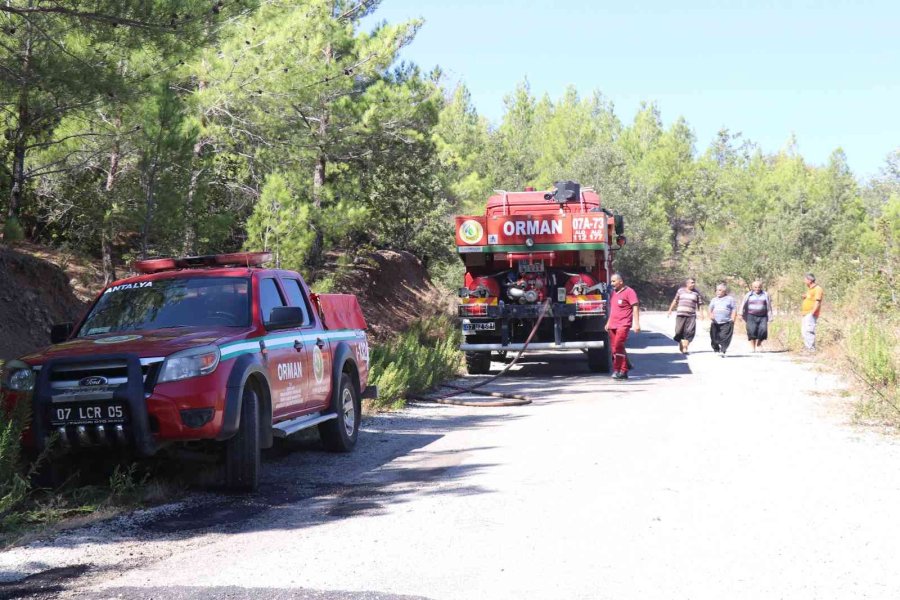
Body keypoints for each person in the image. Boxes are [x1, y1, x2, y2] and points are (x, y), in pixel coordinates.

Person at [605, 272, 640, 380]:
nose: (612, 283)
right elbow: (613, 310)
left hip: (623, 324)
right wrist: (608, 322)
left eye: (614, 281)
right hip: (613, 325)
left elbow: (635, 307)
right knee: (614, 348)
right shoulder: (614, 293)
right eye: (611, 281)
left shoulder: (630, 292)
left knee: (618, 346)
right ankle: (624, 370)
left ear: (621, 281)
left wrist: (637, 323)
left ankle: (619, 370)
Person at [667, 277, 705, 354]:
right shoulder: (680, 291)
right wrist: (670, 310)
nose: (693, 284)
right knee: (678, 331)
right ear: (687, 283)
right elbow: (675, 300)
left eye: (694, 282)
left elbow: (699, 304)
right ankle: (681, 344)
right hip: (680, 314)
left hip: (691, 315)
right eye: (691, 282)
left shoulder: (696, 293)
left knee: (689, 332)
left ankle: (685, 347)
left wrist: (701, 314)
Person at [739, 280, 774, 352]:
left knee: (763, 331)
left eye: (759, 287)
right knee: (752, 331)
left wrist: (770, 316)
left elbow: (769, 306)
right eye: (755, 287)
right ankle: (753, 347)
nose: (757, 288)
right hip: (751, 315)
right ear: (752, 287)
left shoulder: (765, 294)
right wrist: (740, 313)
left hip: (763, 316)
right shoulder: (749, 295)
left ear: (761, 287)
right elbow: (743, 304)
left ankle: (758, 344)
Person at [708, 283, 737, 357]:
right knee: (714, 337)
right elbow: (710, 309)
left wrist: (733, 319)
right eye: (717, 290)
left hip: (726, 321)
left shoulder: (730, 299)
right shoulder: (714, 300)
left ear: (724, 291)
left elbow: (734, 309)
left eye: (720, 290)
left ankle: (723, 350)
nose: (718, 291)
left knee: (725, 337)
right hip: (715, 322)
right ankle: (716, 349)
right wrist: (711, 315)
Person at [800, 273, 824, 352]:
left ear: (809, 280)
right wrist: (805, 297)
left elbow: (817, 302)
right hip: (805, 314)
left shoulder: (818, 289)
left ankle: (811, 349)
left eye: (805, 280)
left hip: (810, 314)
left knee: (809, 331)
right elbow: (810, 298)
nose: (804, 281)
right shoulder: (810, 289)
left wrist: (812, 313)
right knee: (804, 331)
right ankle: (807, 347)